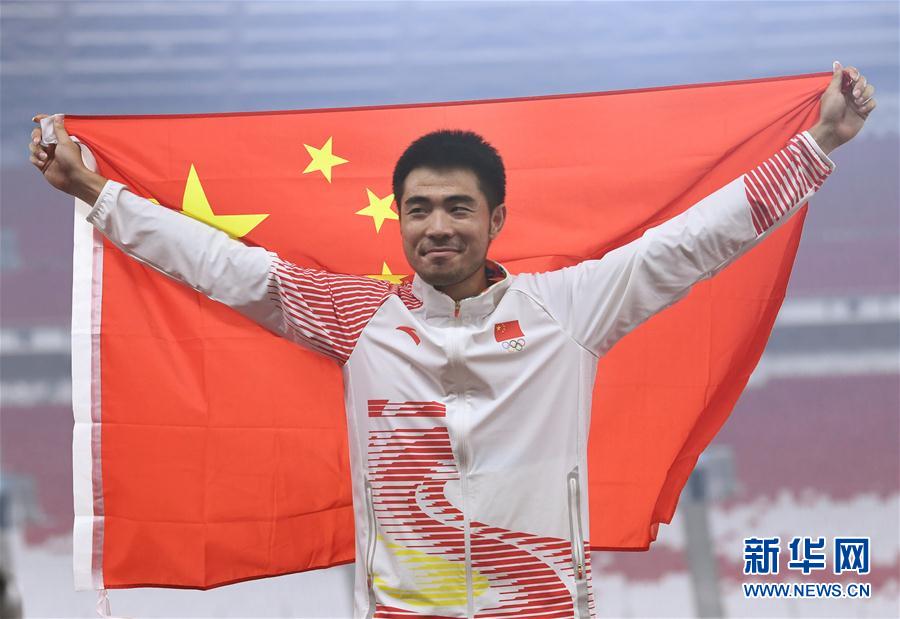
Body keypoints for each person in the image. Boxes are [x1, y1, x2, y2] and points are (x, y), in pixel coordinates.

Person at [29, 62, 875, 618]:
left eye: (458, 207)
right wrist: (99, 195)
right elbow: (225, 267)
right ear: (399, 221)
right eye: (420, 209)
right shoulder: (356, 317)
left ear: (496, 218)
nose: (438, 226)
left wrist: (818, 143)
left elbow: (692, 243)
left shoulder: (567, 310)